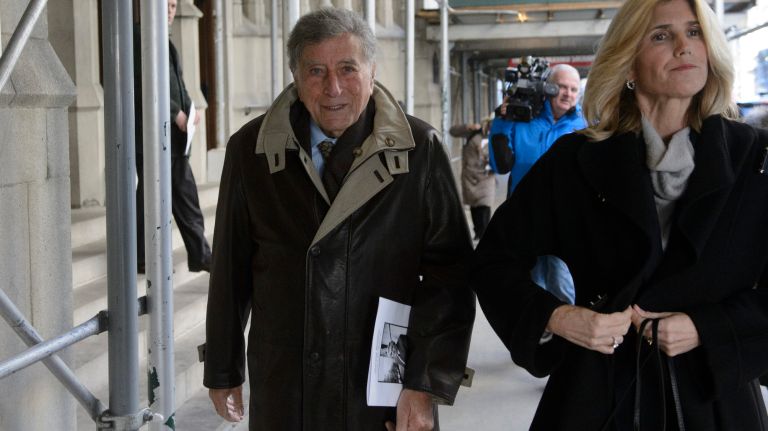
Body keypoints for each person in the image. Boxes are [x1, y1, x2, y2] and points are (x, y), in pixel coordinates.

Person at [472, 0, 768, 429]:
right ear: (628, 64)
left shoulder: (755, 160)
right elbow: (493, 261)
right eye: (662, 36)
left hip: (715, 402)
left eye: (695, 32)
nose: (684, 47)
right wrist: (558, 316)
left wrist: (707, 327)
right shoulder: (577, 160)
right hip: (599, 395)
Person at [203, 8, 475, 431]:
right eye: (316, 71)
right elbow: (230, 269)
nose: (333, 88)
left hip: (385, 389)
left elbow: (451, 277)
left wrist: (425, 383)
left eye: (348, 69)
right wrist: (223, 368)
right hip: (286, 383)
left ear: (371, 71)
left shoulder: (419, 150)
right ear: (295, 75)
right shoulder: (250, 151)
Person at [134, 0, 212, 273]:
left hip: (172, 138)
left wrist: (190, 110)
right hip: (155, 136)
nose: (170, 11)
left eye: (174, 6)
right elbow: (147, 84)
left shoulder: (164, 41)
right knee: (174, 194)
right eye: (165, 5)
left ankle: (148, 255)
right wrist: (177, 113)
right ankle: (198, 254)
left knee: (167, 193)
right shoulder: (141, 39)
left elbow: (177, 83)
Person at [488, 63, 586, 197]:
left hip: (565, 212)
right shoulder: (522, 119)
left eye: (574, 89)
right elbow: (500, 167)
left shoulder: (585, 126)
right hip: (523, 210)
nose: (568, 94)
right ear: (548, 88)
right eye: (562, 87)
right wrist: (501, 121)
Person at [449, 120, 495, 240]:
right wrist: (467, 127)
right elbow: (452, 131)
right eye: (489, 125)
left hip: (486, 177)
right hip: (470, 177)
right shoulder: (474, 133)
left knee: (484, 207)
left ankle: (483, 236)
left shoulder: (497, 137)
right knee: (474, 206)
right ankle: (478, 233)